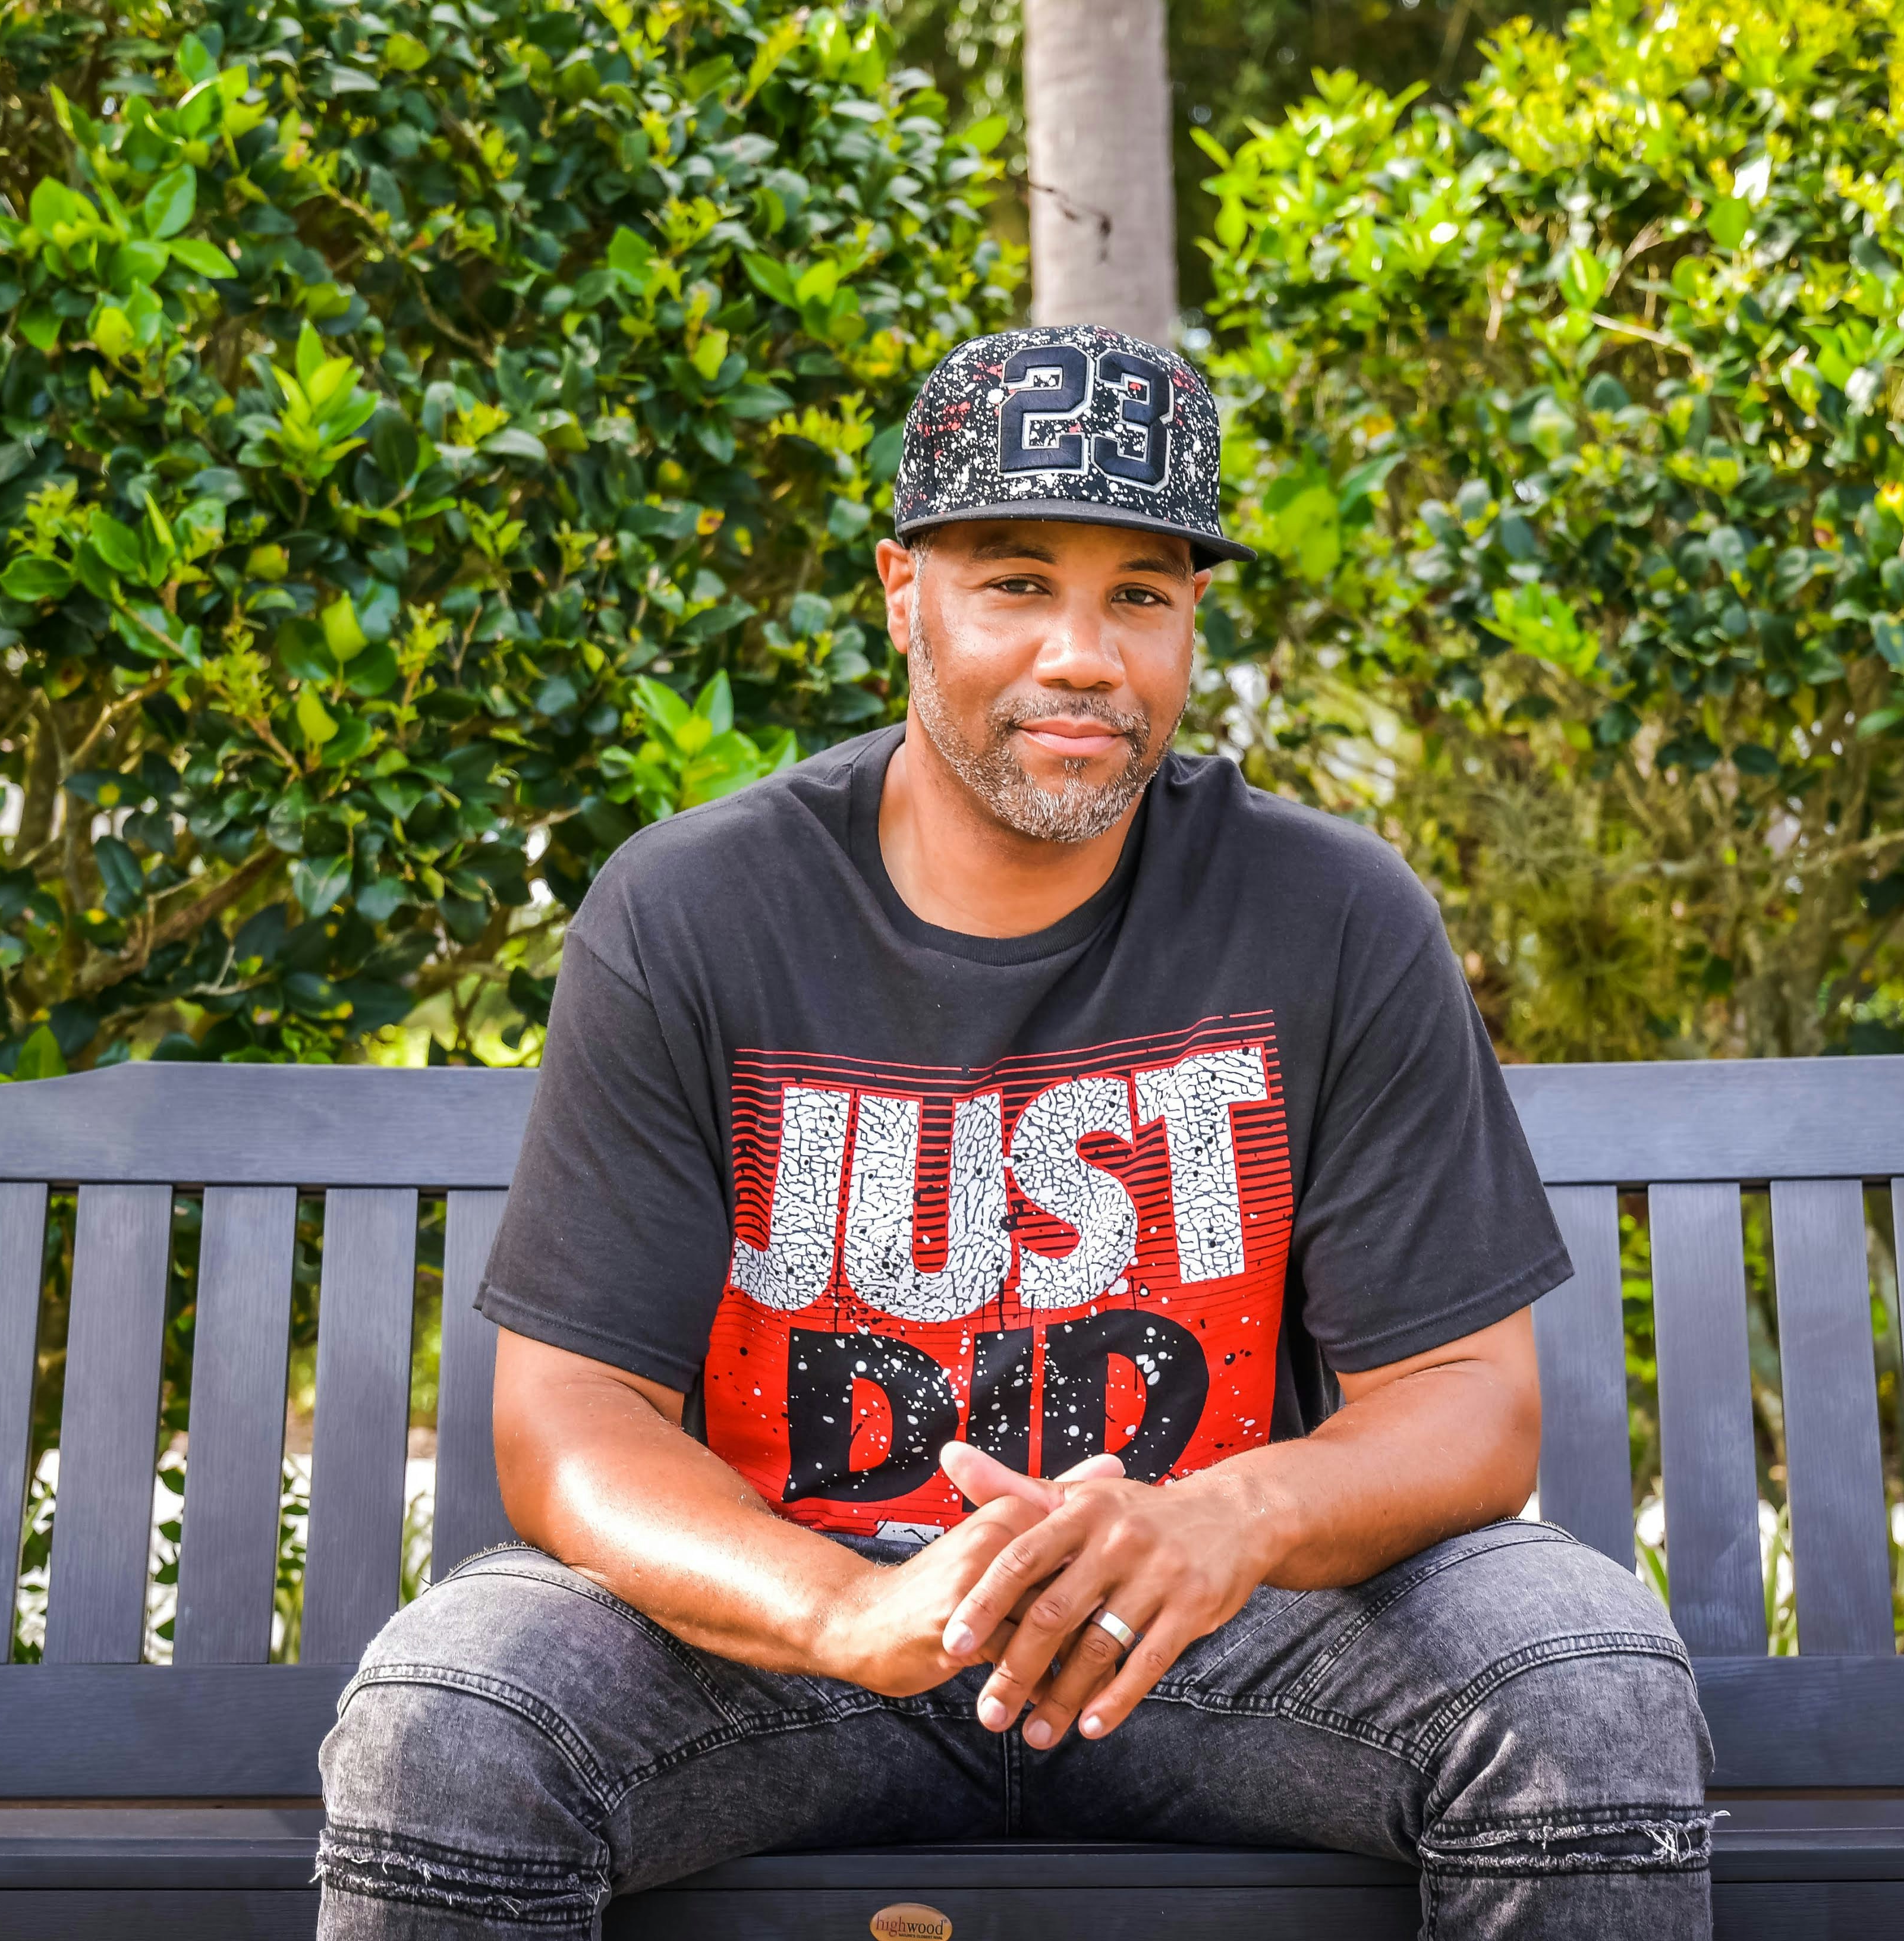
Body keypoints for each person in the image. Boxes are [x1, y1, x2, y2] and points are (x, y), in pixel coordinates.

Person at [314, 324, 1711, 1939]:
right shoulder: (696, 909)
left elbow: (1467, 1402)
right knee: (450, 1721)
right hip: (794, 1641)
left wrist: (1223, 1519)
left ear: (1191, 622)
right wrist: (846, 1606)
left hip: (1224, 1635)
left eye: (1140, 593)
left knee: (1586, 1683)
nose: (1083, 653)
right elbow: (570, 1421)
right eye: (1017, 582)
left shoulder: (1328, 913)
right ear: (903, 592)